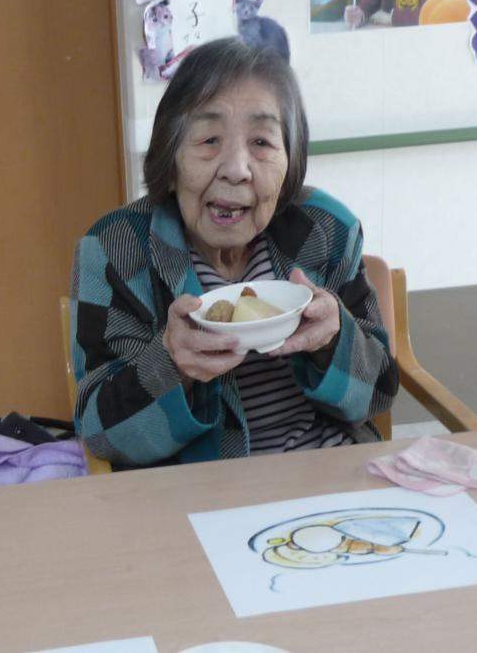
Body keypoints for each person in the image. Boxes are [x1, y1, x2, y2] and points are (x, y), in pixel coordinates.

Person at [70, 39, 399, 467]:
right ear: (171, 160)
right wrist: (171, 365)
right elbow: (101, 435)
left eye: (262, 142)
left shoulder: (326, 229)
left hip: (328, 475)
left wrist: (333, 341)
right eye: (209, 140)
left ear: (289, 163)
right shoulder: (115, 250)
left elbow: (378, 394)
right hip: (198, 492)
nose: (236, 169)